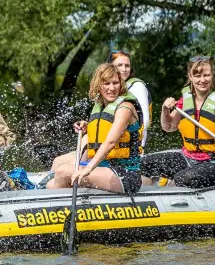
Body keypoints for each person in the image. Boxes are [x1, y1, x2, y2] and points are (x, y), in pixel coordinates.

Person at [140, 56, 215, 188]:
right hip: (188, 157)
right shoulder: (185, 101)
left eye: (206, 75)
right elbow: (168, 127)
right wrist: (165, 110)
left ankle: (171, 188)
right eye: (197, 76)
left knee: (182, 177)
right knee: (142, 164)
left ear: (212, 75)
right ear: (190, 77)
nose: (202, 80)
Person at [47, 63, 147, 194]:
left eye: (115, 83)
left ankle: (61, 212)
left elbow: (110, 142)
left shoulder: (125, 108)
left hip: (125, 175)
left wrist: (88, 168)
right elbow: (104, 127)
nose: (112, 88)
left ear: (121, 84)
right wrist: (88, 126)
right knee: (50, 185)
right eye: (106, 83)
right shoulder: (101, 106)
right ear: (98, 85)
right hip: (104, 170)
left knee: (63, 171)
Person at [109, 50, 151, 150]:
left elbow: (145, 120)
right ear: (110, 67)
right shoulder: (112, 88)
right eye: (120, 65)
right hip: (112, 148)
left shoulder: (137, 87)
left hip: (131, 149)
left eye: (127, 66)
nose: (124, 69)